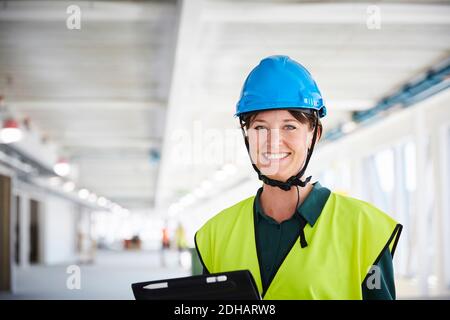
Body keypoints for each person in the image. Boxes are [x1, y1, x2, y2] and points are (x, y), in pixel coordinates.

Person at [195, 55, 402, 300]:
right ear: (247, 135)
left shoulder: (365, 229)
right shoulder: (215, 235)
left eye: (289, 126)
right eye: (260, 127)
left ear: (314, 135)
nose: (273, 141)